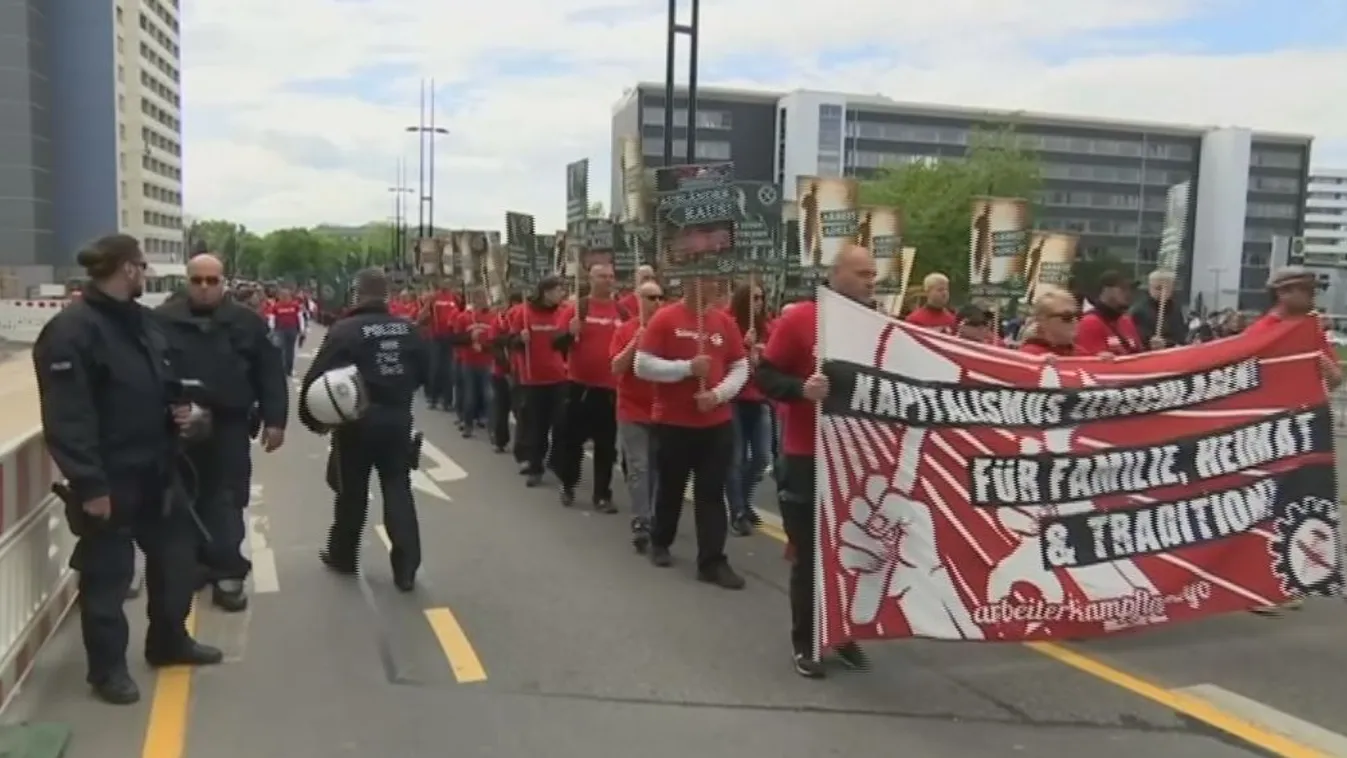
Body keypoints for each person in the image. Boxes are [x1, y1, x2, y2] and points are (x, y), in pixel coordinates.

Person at [33, 234, 223, 705]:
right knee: (108, 579)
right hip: (110, 478)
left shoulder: (144, 324)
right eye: (142, 265)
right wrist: (91, 484)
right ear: (128, 269)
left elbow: (168, 384)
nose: (146, 273)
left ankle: (168, 641)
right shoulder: (72, 331)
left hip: (159, 469)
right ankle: (108, 671)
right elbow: (67, 417)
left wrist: (189, 415)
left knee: (179, 561)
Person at [758, 243, 874, 678]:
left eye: (873, 275)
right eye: (863, 274)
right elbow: (766, 375)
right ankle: (806, 642)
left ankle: (843, 634)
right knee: (810, 555)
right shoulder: (799, 319)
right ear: (837, 274)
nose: (870, 282)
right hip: (807, 455)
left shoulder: (873, 325)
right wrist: (801, 390)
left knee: (852, 551)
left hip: (857, 457)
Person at [155, 254, 288, 612]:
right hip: (177, 425)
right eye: (196, 280)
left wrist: (276, 420)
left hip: (228, 425)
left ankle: (227, 570)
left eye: (211, 281)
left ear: (223, 282)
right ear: (187, 281)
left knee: (227, 498)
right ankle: (194, 564)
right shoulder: (162, 321)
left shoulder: (246, 323)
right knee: (182, 500)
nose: (203, 287)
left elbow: (269, 373)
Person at [299, 268, 428, 591]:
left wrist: (313, 420)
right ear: (386, 296)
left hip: (356, 421)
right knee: (397, 487)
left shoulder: (345, 330)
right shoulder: (408, 330)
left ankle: (343, 554)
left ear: (357, 294)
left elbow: (317, 379)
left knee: (351, 492)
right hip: (398, 419)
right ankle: (407, 568)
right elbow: (429, 373)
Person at [635, 277, 747, 590]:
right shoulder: (665, 318)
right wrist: (685, 369)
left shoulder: (724, 322)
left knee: (711, 493)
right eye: (702, 281)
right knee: (671, 486)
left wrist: (718, 395)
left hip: (716, 423)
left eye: (713, 282)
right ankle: (660, 540)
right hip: (673, 423)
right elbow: (642, 366)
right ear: (687, 285)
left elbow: (740, 367)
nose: (710, 287)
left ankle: (712, 561)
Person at [552, 263, 626, 511]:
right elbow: (556, 343)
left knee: (606, 446)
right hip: (580, 387)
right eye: (602, 276)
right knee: (573, 442)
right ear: (590, 280)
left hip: (610, 390)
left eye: (610, 276)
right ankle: (568, 484)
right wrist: (569, 334)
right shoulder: (577, 309)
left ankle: (602, 494)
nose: (607, 280)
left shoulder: (622, 312)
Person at [610, 279, 663, 552]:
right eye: (650, 298)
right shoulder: (626, 330)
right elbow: (616, 367)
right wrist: (636, 342)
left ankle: (654, 515)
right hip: (632, 410)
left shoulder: (668, 331)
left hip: (662, 412)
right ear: (638, 300)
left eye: (659, 297)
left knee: (657, 470)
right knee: (640, 467)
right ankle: (641, 521)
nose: (656, 303)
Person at [504, 276, 568, 487]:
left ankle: (557, 461)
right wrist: (519, 339)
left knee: (560, 423)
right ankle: (534, 465)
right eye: (558, 290)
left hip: (559, 377)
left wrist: (572, 333)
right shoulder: (523, 313)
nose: (561, 294)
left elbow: (565, 344)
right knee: (536, 426)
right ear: (546, 292)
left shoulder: (563, 312)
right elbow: (509, 342)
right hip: (532, 379)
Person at [724, 281, 772, 536]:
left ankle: (743, 497)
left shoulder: (767, 327)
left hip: (759, 398)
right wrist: (743, 348)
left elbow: (776, 360)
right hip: (734, 399)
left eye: (761, 298)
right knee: (736, 457)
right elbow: (720, 358)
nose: (758, 303)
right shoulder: (728, 325)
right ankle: (738, 510)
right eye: (753, 298)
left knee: (762, 456)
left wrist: (762, 355)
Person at [453, 287, 494, 437]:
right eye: (478, 297)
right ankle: (468, 424)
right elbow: (456, 339)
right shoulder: (463, 317)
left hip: (487, 361)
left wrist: (484, 346)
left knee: (489, 396)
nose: (481, 300)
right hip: (469, 362)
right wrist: (470, 337)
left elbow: (495, 339)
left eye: (483, 297)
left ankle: (492, 430)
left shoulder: (492, 317)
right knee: (470, 395)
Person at [486, 292, 524, 455]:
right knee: (501, 407)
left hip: (519, 373)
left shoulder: (520, 322)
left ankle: (522, 446)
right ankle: (500, 440)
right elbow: (494, 346)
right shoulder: (498, 322)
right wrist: (506, 368)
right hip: (501, 372)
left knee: (520, 410)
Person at [1076, 270, 1141, 356]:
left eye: (1132, 289)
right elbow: (1092, 362)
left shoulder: (1126, 320)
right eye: (1123, 288)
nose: (1129, 293)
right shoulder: (1090, 322)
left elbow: (1139, 353)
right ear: (1106, 290)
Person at [1129, 270, 1187, 350]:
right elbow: (1138, 337)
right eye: (1158, 288)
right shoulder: (1139, 310)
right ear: (1150, 287)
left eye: (1166, 288)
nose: (1162, 292)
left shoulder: (1175, 308)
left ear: (1172, 289)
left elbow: (1180, 336)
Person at [427, 281, 460, 411]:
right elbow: (426, 313)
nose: (446, 284)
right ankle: (434, 399)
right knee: (436, 369)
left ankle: (447, 401)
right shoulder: (434, 297)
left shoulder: (455, 298)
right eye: (444, 281)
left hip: (449, 337)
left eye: (448, 282)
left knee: (448, 371)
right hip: (436, 337)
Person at [1020, 290, 1083, 356]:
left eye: (1078, 315)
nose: (1075, 321)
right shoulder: (1029, 355)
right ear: (1042, 320)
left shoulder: (1082, 353)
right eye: (1067, 316)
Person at [267, 287, 307, 376]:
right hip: (280, 330)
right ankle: (282, 369)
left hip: (292, 330)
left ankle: (289, 369)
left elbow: (300, 318)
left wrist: (302, 330)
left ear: (290, 297)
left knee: (290, 350)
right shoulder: (276, 306)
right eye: (283, 296)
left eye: (286, 296)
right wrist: (272, 329)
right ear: (279, 297)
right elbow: (272, 319)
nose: (285, 298)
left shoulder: (295, 306)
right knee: (280, 350)